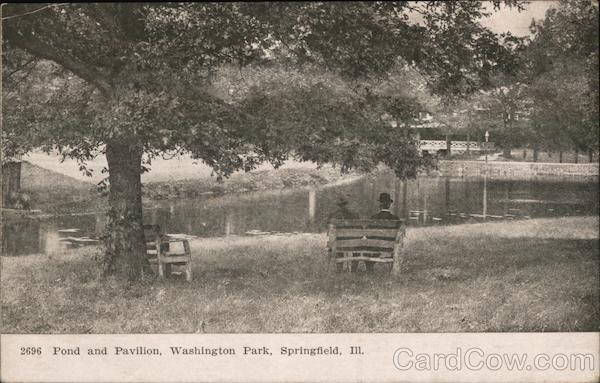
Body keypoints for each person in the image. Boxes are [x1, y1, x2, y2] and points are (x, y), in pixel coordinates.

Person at [365, 192, 400, 272]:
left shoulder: (373, 218)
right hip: (389, 246)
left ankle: (369, 270)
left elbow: (368, 234)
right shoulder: (395, 219)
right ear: (389, 205)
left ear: (380, 204)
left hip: (375, 246)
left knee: (368, 248)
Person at [328, 195, 359, 272]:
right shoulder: (354, 214)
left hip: (338, 243)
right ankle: (354, 270)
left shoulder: (333, 215)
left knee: (338, 242)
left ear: (338, 205)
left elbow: (329, 231)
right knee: (357, 246)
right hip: (352, 243)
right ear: (346, 204)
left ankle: (339, 269)